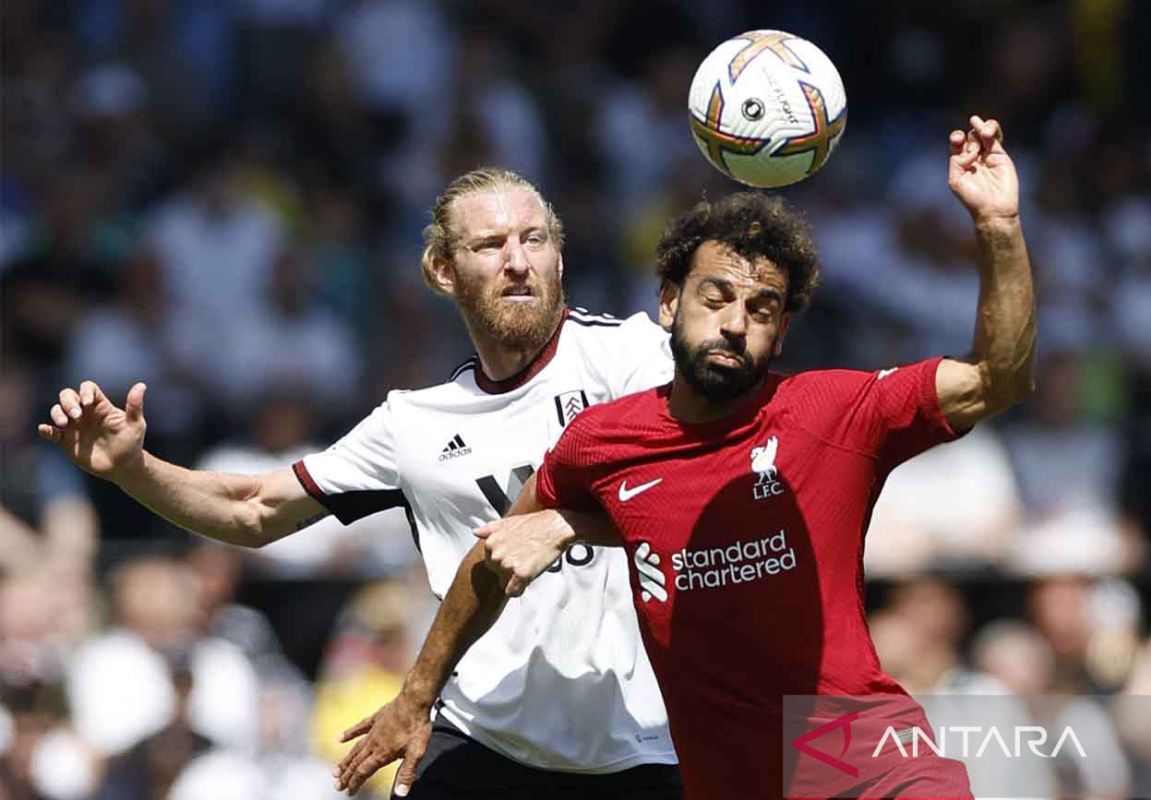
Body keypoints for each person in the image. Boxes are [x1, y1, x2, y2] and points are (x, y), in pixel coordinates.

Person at [347, 117, 1035, 799]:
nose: (736, 321)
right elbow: (494, 561)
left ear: (783, 329)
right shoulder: (602, 442)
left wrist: (998, 227)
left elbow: (995, 378)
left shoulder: (832, 413)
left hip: (861, 769)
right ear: (670, 305)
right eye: (716, 297)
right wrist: (417, 695)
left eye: (763, 307)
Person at [38, 168, 681, 799]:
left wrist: (563, 523)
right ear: (443, 271)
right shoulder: (416, 424)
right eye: (490, 245)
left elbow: (702, 493)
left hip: (639, 744)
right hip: (486, 739)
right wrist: (132, 468)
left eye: (534, 240)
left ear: (559, 259)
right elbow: (255, 510)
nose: (518, 261)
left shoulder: (632, 359)